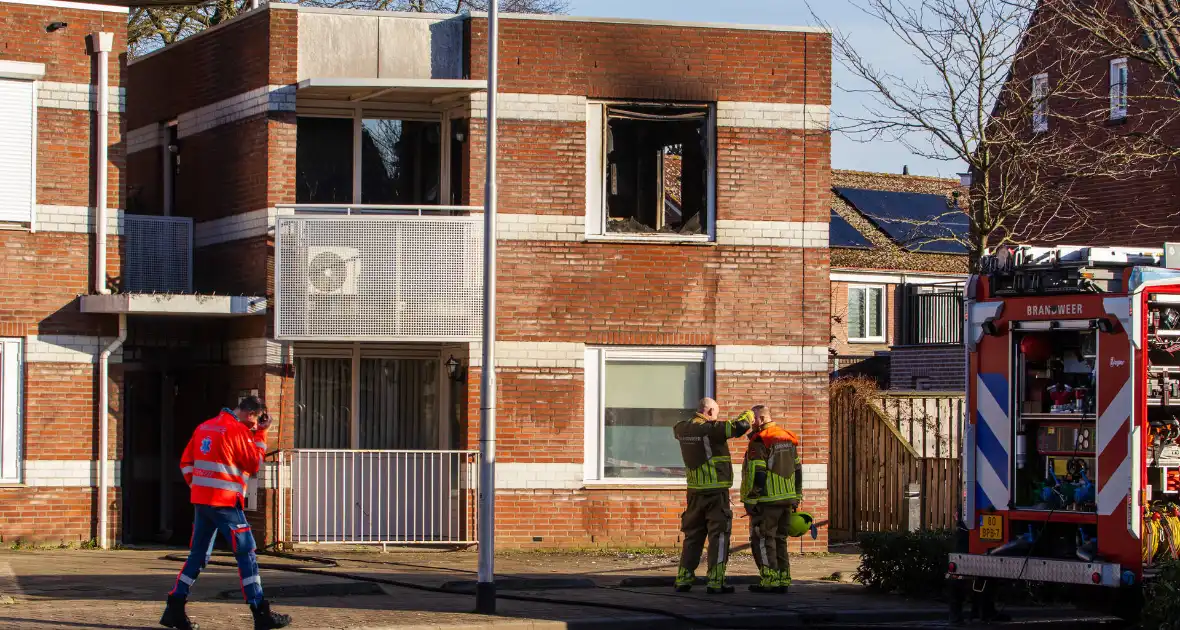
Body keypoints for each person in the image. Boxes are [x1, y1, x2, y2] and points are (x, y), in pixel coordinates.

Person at [159, 396, 291, 630]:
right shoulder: (238, 431)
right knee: (246, 553)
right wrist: (260, 435)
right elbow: (253, 464)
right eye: (253, 423)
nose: (252, 427)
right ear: (252, 414)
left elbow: (186, 463)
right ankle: (260, 612)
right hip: (226, 504)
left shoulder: (204, 427)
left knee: (198, 556)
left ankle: (175, 606)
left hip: (203, 503)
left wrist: (199, 489)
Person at [673, 397, 751, 594]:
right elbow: (740, 426)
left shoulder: (681, 429)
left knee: (693, 536)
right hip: (715, 493)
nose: (717, 417)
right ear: (708, 412)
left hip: (694, 493)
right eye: (716, 413)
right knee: (719, 536)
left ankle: (684, 578)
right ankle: (716, 581)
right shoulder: (710, 428)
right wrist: (749, 414)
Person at [740, 405, 803, 594]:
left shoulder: (760, 441)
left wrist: (752, 498)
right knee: (780, 540)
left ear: (761, 418)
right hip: (787, 499)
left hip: (767, 500)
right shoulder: (788, 438)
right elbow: (798, 470)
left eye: (753, 420)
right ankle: (783, 578)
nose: (751, 424)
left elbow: (758, 472)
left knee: (763, 540)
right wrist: (796, 496)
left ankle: (769, 580)